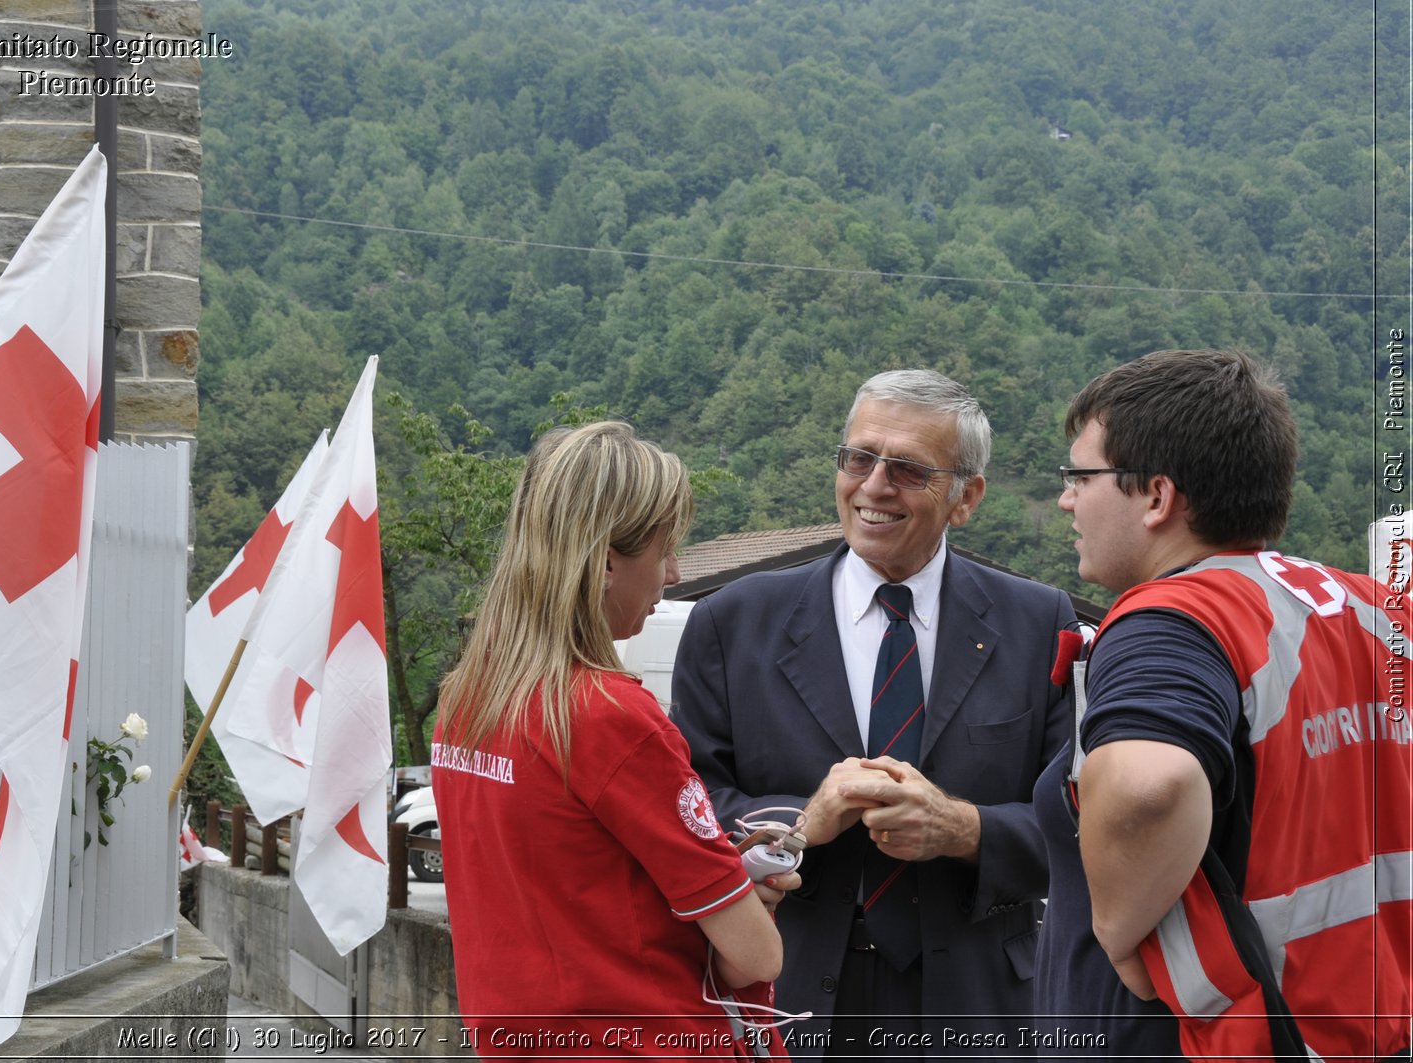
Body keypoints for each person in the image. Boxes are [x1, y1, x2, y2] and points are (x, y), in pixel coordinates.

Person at [671, 370, 1076, 1058]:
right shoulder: (732, 622)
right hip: (790, 989)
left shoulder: (1038, 623)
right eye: (859, 457)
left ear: (965, 496)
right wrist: (801, 823)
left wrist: (964, 828)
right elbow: (689, 808)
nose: (875, 485)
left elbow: (1078, 824)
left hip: (979, 1008)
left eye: (910, 469)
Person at [1032, 348, 1412, 1061]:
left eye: (1080, 476)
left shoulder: (1175, 618)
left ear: (1157, 497)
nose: (1066, 499)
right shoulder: (1374, 610)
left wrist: (1117, 927)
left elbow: (1150, 783)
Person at [433, 421, 797, 1061]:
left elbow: (569, 882)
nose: (675, 573)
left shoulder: (467, 699)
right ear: (606, 561)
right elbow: (751, 957)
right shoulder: (611, 716)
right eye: (665, 551)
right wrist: (746, 895)